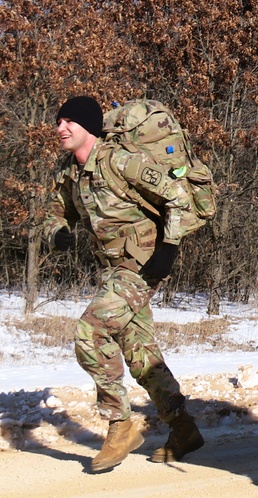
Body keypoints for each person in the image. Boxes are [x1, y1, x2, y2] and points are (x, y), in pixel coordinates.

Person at [37, 96, 204, 472]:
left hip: (142, 265)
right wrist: (57, 232)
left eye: (69, 122)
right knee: (139, 352)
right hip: (113, 270)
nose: (60, 128)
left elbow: (177, 196)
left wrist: (171, 247)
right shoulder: (70, 171)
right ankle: (183, 428)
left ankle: (120, 424)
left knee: (91, 332)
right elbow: (52, 211)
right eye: (58, 121)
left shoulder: (119, 160)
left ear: (89, 128)